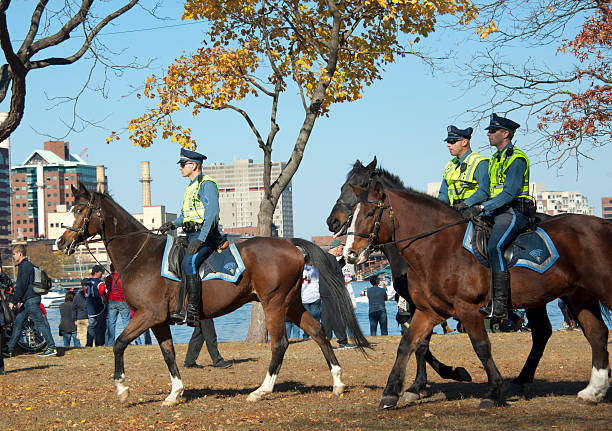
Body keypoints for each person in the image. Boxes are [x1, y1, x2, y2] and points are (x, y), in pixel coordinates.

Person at [463, 113, 535, 319]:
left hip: (514, 211)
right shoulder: (494, 159)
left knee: (495, 246)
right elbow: (487, 190)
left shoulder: (517, 158)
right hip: (496, 210)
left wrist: (483, 208)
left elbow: (510, 193)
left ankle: (501, 305)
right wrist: (466, 205)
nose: (488, 134)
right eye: (488, 130)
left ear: (505, 134)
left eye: (492, 131)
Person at [159, 148, 223, 327]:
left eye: (182, 164)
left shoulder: (206, 184)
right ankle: (177, 307)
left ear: (193, 165)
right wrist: (172, 224)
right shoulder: (190, 187)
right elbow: (185, 216)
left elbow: (212, 214)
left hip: (206, 236)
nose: (180, 168)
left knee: (189, 263)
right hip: (190, 234)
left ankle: (192, 311)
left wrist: (201, 239)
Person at [4, 244, 57, 357]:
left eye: (14, 254)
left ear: (20, 253)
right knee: (18, 323)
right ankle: (9, 349)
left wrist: (13, 301)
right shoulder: (27, 265)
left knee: (40, 324)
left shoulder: (25, 266)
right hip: (29, 301)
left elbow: (21, 286)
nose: (13, 257)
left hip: (31, 300)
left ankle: (52, 347)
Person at [438, 125, 489, 209]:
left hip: (475, 210)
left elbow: (484, 191)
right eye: (448, 142)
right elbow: (443, 194)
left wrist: (465, 204)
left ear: (464, 142)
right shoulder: (449, 165)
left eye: (452, 141)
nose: (448, 145)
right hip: (455, 210)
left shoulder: (480, 162)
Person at [320, 239, 356, 350]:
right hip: (332, 292)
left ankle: (325, 340)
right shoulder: (331, 259)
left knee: (326, 317)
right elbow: (333, 275)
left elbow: (333, 270)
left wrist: (343, 262)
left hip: (325, 291)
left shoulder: (327, 258)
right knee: (338, 316)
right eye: (341, 248)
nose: (342, 250)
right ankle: (342, 341)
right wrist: (343, 282)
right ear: (335, 248)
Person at [105, 264, 130, 346]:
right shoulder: (123, 277)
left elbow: (108, 288)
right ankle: (128, 340)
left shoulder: (108, 278)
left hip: (112, 301)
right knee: (126, 321)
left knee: (111, 323)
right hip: (122, 300)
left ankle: (110, 342)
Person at [85, 265, 107, 347]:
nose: (102, 274)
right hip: (98, 307)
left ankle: (89, 343)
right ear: (97, 272)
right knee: (100, 327)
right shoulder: (99, 283)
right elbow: (103, 294)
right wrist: (106, 303)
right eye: (101, 272)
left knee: (91, 326)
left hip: (90, 308)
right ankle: (99, 343)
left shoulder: (87, 282)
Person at [301, 256, 321, 339]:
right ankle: (316, 334)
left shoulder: (300, 270)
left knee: (306, 318)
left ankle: (306, 335)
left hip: (304, 296)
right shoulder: (314, 270)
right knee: (316, 317)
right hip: (314, 295)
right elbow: (318, 281)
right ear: (310, 261)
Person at [72, 280, 89, 347]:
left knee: (82, 336)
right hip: (89, 317)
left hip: (80, 317)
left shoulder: (77, 295)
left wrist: (75, 319)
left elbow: (73, 307)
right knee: (91, 334)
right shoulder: (91, 294)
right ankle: (91, 347)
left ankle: (84, 347)